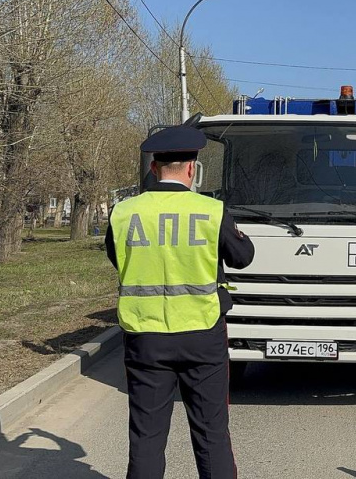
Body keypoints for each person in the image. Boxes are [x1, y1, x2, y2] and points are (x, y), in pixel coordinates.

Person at [104, 125, 255, 479]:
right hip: (202, 335)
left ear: (154, 168)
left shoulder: (124, 212)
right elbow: (243, 256)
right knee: (211, 433)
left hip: (146, 337)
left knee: (146, 436)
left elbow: (118, 258)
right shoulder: (211, 211)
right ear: (192, 169)